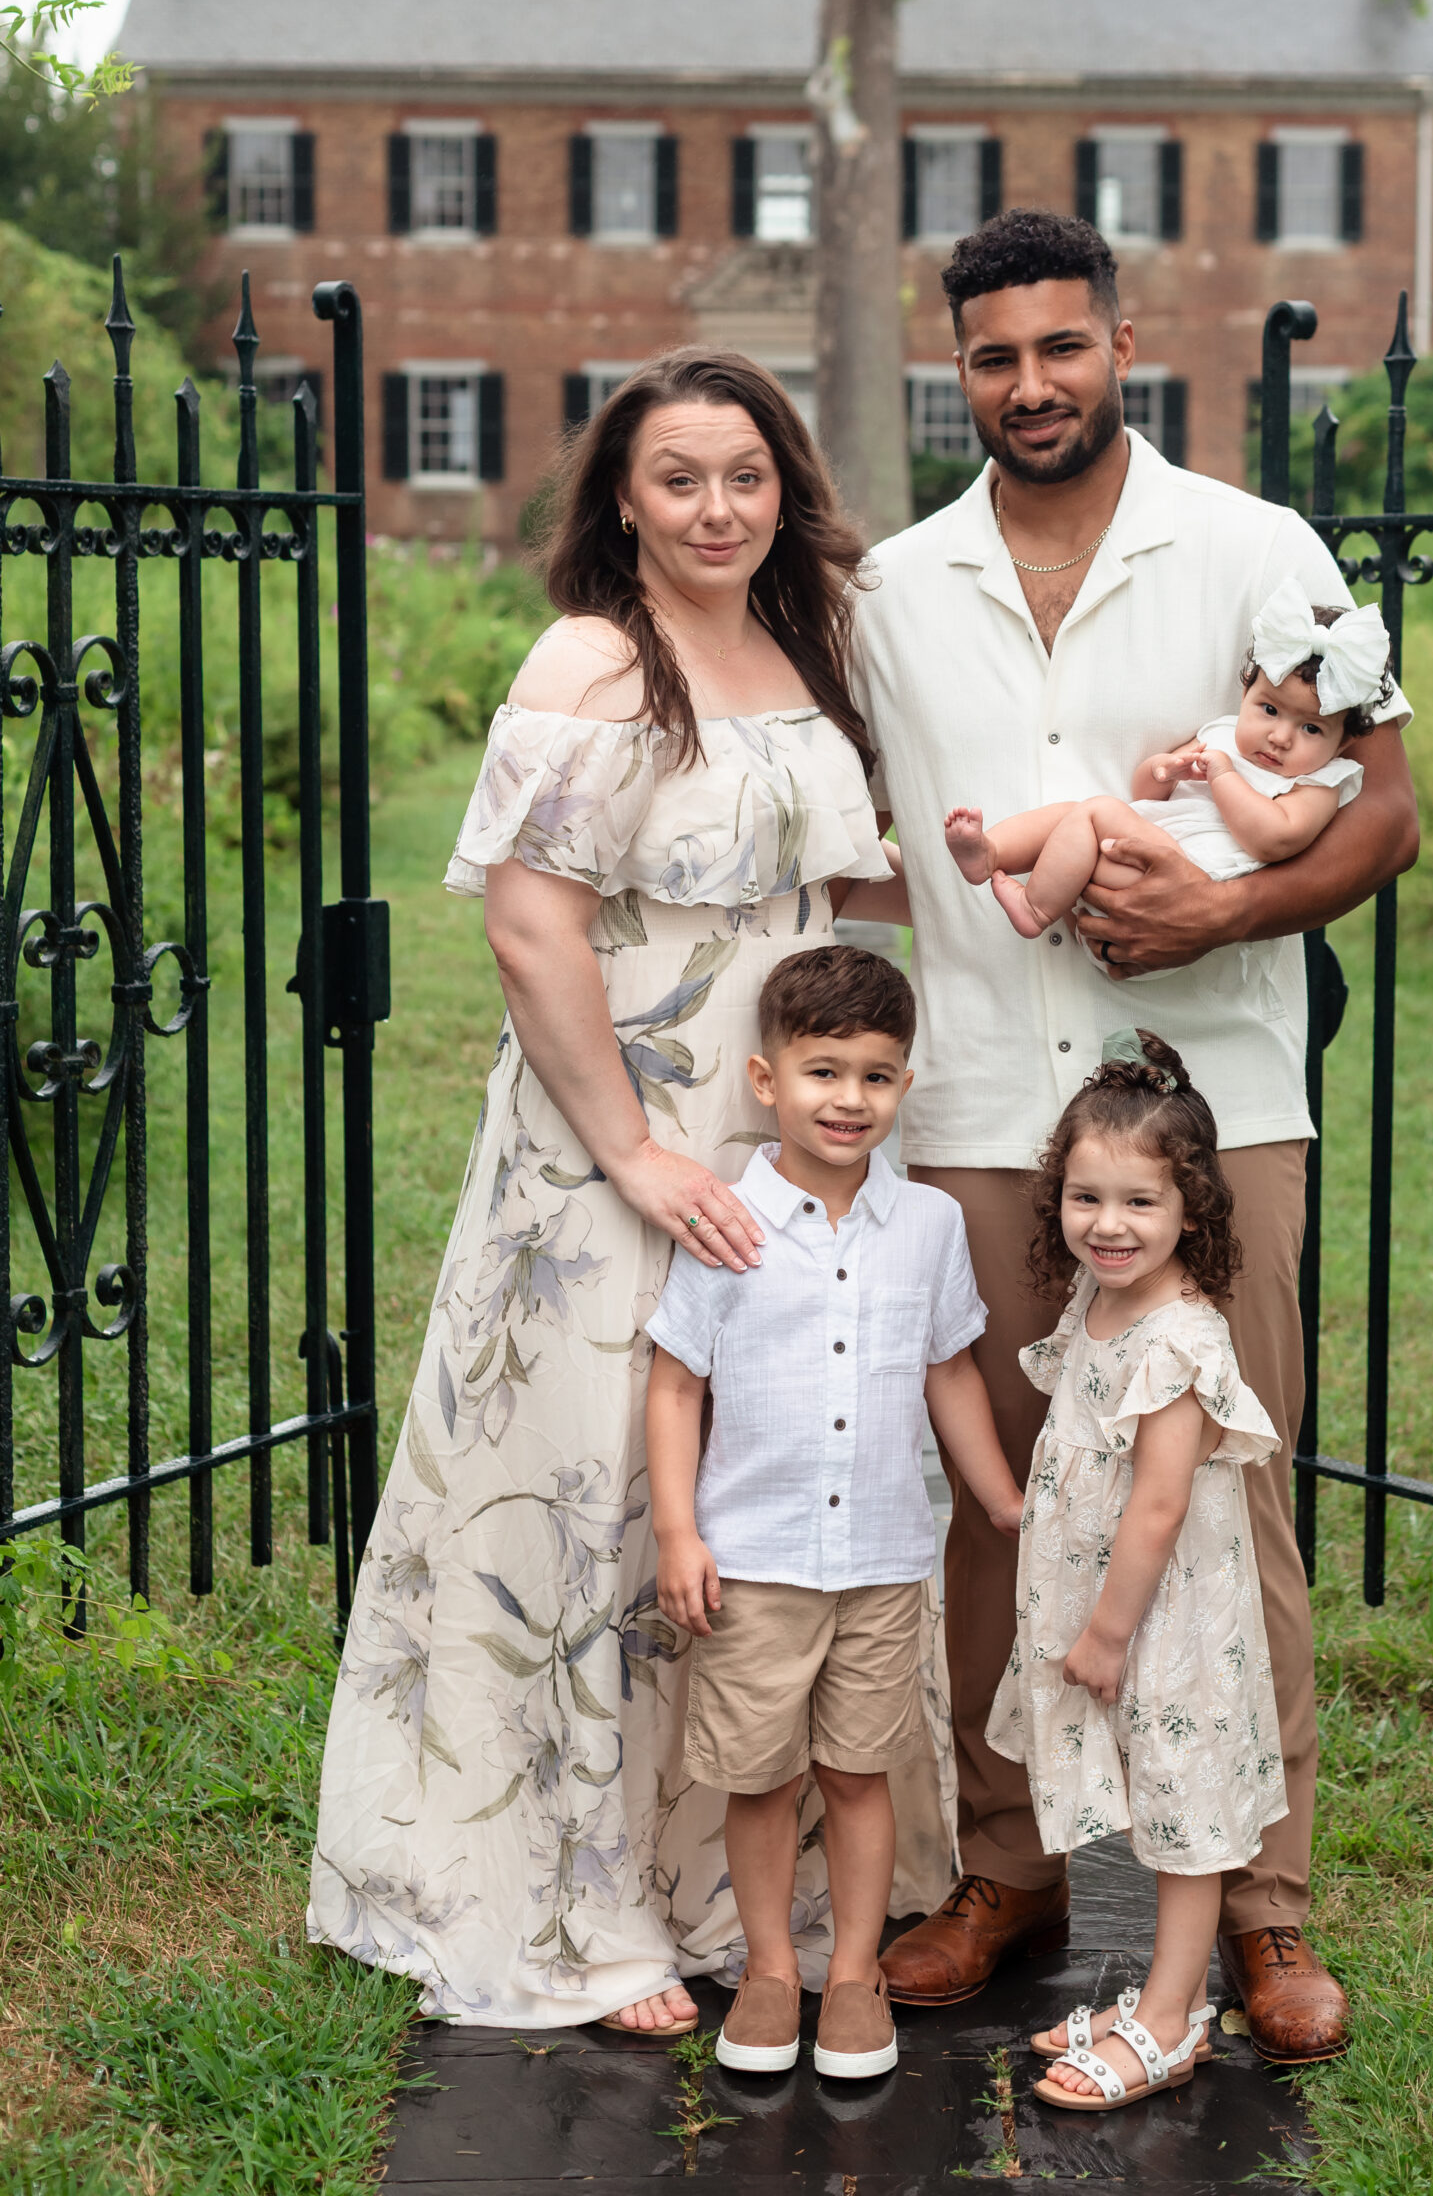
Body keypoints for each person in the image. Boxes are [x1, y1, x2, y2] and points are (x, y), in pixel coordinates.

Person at [308, 349, 932, 2033]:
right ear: (623, 502)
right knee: (596, 1508)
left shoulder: (801, 645)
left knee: (752, 1494)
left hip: (779, 1136)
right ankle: (584, 1908)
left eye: (746, 474)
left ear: (784, 487)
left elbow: (831, 866)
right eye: (680, 479)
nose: (718, 507)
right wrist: (637, 1156)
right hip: (615, 1149)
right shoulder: (593, 659)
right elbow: (529, 925)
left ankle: (725, 1878)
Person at [853, 209, 1416, 2062]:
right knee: (993, 1512)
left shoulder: (1259, 553)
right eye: (995, 359)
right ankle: (1006, 1877)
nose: (1030, 386)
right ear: (964, 372)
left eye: (1061, 348)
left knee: (1226, 1504)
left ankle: (1261, 1913)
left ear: (1121, 341)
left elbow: (1381, 819)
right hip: (978, 1111)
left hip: (1215, 1114)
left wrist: (1218, 918)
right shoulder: (894, 586)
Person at [645, 944, 1025, 2078]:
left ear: (904, 1085)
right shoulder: (727, 1222)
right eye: (823, 1072)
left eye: (874, 1075)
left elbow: (949, 1369)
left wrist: (999, 1495)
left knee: (861, 1775)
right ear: (767, 1080)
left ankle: (853, 1971)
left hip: (880, 1561)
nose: (848, 1099)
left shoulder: (930, 1227)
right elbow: (678, 1384)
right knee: (760, 1776)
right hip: (754, 1561)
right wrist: (678, 1531)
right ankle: (769, 1969)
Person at [986, 1040, 1284, 2110]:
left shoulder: (1182, 1338)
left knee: (1183, 1815)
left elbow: (1159, 1501)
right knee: (1156, 1803)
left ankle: (1171, 2018)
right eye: (1084, 1196)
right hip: (1112, 1600)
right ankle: (1156, 1998)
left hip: (1164, 1616)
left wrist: (1107, 1630)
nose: (1106, 1223)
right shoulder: (1097, 1299)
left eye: (1139, 1202)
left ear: (1190, 1209)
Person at [944, 578, 1391, 940]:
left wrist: (1223, 776)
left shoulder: (1320, 784)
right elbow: (1147, 794)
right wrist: (1165, 770)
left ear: (1345, 741)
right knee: (1072, 816)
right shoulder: (1221, 736)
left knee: (1097, 811)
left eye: (1311, 728)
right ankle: (991, 852)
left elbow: (1273, 838)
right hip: (1146, 849)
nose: (1279, 737)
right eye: (1269, 709)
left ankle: (1035, 908)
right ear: (1246, 692)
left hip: (1190, 880)